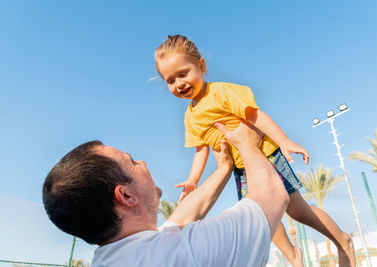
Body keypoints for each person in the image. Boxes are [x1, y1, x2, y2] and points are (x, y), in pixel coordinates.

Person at [155, 34, 356, 267]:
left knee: (297, 211)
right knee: (261, 217)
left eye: (183, 73)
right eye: (170, 80)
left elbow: (254, 115)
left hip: (266, 156)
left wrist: (283, 140)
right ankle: (293, 257)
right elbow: (201, 149)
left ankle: (343, 241)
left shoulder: (220, 92)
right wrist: (193, 180)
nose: (179, 83)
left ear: (201, 66)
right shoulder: (190, 117)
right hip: (242, 169)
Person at [42, 122, 290, 267]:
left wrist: (224, 167)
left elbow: (180, 220)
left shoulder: (125, 257)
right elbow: (272, 195)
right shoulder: (183, 255)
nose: (143, 162)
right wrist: (247, 143)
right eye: (131, 162)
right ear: (126, 196)